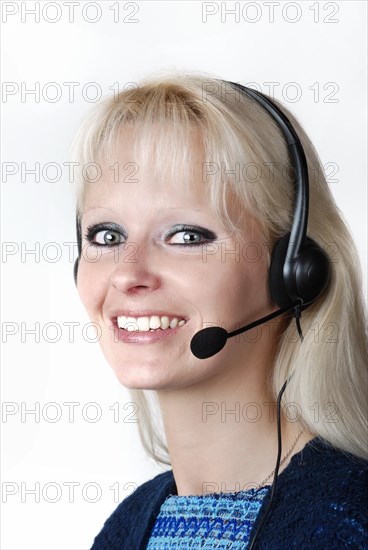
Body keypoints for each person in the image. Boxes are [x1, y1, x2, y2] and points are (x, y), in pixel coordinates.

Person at [72, 71, 368, 549]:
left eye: (187, 236)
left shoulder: (346, 521)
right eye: (107, 235)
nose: (128, 274)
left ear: (293, 269)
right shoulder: (127, 528)